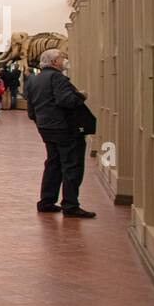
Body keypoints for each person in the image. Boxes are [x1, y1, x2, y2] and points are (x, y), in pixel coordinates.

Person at [25, 48, 95, 218]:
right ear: (54, 61)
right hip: (65, 129)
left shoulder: (34, 80)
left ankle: (47, 201)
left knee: (53, 164)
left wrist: (42, 123)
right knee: (72, 165)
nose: (65, 59)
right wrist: (80, 96)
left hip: (47, 129)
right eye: (63, 57)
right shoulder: (57, 78)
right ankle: (71, 205)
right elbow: (66, 100)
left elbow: (31, 109)